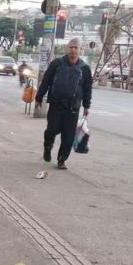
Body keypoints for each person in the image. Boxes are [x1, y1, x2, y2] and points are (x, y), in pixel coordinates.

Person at [35, 38, 92, 170]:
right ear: (66, 49)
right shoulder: (57, 64)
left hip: (73, 108)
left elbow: (87, 88)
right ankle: (47, 147)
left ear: (80, 50)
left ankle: (62, 160)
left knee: (68, 137)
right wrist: (38, 98)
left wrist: (86, 105)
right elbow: (46, 82)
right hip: (56, 104)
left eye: (76, 48)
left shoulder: (85, 68)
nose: (73, 50)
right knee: (52, 130)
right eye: (71, 47)